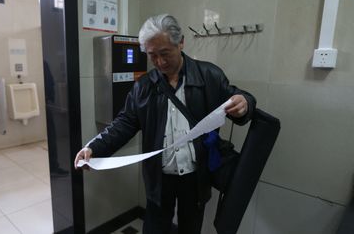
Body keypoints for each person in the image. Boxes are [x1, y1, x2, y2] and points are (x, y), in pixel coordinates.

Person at [74, 14, 256, 234]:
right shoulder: (144, 86)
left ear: (181, 43)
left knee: (190, 227)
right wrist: (93, 148)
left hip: (195, 174)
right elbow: (124, 123)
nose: (160, 62)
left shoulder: (209, 76)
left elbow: (236, 98)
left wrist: (245, 102)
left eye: (165, 53)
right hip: (160, 177)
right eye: (152, 56)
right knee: (155, 228)